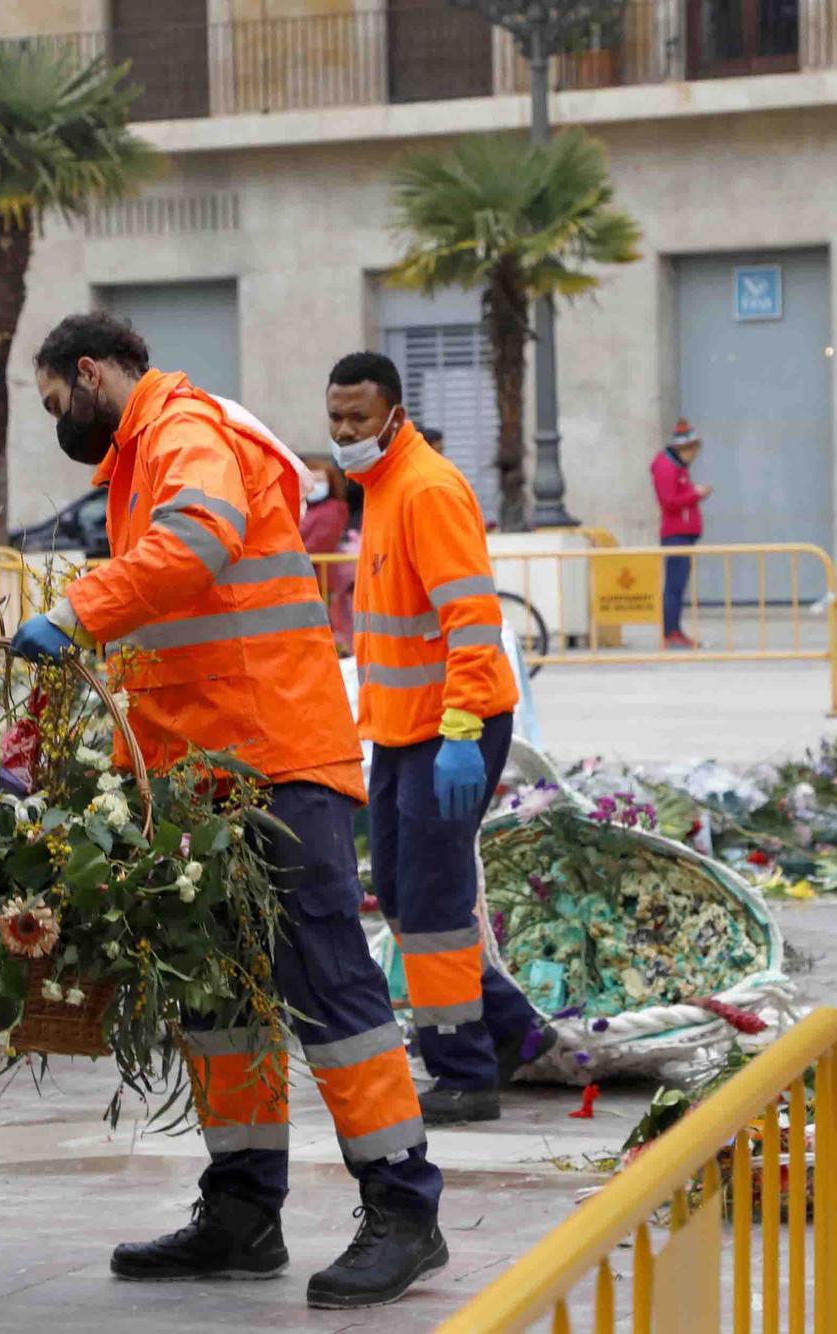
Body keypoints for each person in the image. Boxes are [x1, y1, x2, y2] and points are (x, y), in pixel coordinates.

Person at [9, 313, 445, 1311]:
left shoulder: (179, 432)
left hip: (272, 756)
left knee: (325, 984)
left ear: (89, 373)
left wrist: (76, 611)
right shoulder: (141, 452)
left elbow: (191, 548)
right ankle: (242, 1209)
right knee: (218, 998)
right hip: (206, 774)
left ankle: (403, 1208)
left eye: (52, 404)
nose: (57, 426)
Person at [326, 350, 555, 1127]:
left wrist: (460, 730)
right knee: (399, 890)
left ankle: (463, 1069)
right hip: (400, 734)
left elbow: (471, 619)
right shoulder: (381, 489)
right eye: (336, 418)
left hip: (453, 729)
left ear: (394, 414)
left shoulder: (426, 489)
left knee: (432, 903)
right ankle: (515, 1032)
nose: (345, 431)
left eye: (359, 417)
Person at [651, 419, 711, 650]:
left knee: (678, 584)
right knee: (674, 585)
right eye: (693, 449)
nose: (695, 455)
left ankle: (674, 630)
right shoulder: (667, 467)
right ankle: (670, 633)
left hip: (683, 534)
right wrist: (696, 494)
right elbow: (669, 501)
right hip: (676, 534)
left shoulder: (677, 467)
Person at [300, 455, 356, 651]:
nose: (315, 486)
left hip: (321, 579)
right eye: (311, 480)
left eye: (320, 480)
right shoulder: (305, 508)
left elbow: (317, 543)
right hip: (308, 578)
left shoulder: (333, 510)